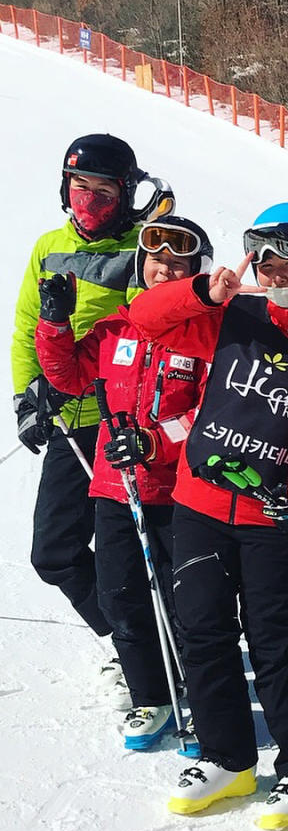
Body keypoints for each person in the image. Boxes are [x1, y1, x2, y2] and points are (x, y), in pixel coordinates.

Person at [126, 203, 288, 828]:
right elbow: (144, 318)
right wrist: (202, 291)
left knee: (273, 641)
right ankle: (228, 759)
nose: (275, 274)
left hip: (272, 514)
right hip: (198, 502)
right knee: (201, 629)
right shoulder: (233, 315)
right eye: (265, 262)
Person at [34, 217, 211, 750]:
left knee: (187, 607)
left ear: (195, 274)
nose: (165, 271)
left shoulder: (207, 334)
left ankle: (204, 703)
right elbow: (68, 376)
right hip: (116, 488)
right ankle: (149, 694)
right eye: (157, 261)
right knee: (121, 597)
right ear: (141, 265)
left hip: (178, 492)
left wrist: (158, 442)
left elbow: (208, 413)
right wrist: (55, 323)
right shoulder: (118, 328)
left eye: (179, 265)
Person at [11, 134, 171, 701]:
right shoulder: (48, 245)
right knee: (54, 551)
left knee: (134, 548)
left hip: (122, 423)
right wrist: (28, 397)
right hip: (65, 418)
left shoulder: (145, 247)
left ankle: (156, 654)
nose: (90, 201)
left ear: (127, 194)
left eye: (105, 191)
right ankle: (128, 641)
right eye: (81, 188)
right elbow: (29, 323)